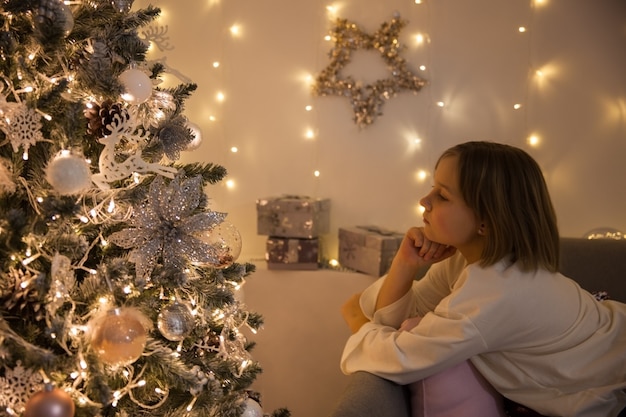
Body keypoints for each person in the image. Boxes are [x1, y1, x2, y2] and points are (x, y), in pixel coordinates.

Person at [340, 141, 626, 417]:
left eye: (442, 195)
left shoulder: (496, 292)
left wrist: (357, 322)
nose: (424, 201)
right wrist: (405, 263)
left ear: (485, 222)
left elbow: (400, 358)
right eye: (432, 189)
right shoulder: (468, 260)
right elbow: (397, 317)